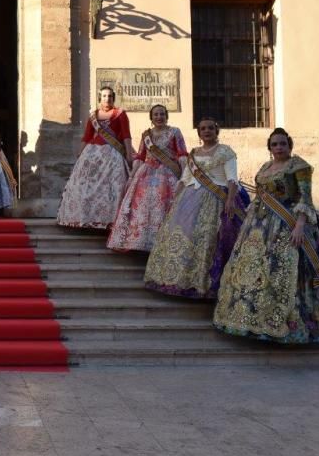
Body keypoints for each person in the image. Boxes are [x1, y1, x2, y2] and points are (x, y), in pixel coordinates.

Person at [214, 128, 319, 343]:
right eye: (275, 144)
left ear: (290, 145)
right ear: (269, 148)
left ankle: (293, 327)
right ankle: (249, 321)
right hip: (259, 226)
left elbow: (306, 199)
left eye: (282, 144)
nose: (279, 148)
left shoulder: (299, 167)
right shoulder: (266, 167)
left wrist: (299, 225)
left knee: (283, 270)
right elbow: (260, 196)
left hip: (288, 224)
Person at [144, 118, 249, 299]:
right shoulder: (193, 153)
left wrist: (231, 200)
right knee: (183, 234)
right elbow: (185, 179)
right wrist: (175, 201)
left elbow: (232, 178)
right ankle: (177, 280)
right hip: (189, 198)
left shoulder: (226, 151)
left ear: (217, 130)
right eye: (202, 129)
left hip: (216, 197)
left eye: (210, 128)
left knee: (207, 237)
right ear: (199, 133)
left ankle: (201, 284)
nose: (206, 131)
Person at [107, 104, 187, 252]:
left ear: (166, 116)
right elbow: (141, 155)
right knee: (142, 206)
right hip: (146, 174)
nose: (159, 117)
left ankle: (162, 242)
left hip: (167, 175)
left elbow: (182, 154)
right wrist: (132, 175)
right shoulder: (146, 135)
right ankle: (139, 241)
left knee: (163, 206)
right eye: (156, 114)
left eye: (162, 114)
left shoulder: (175, 132)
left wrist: (184, 175)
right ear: (151, 117)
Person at [57, 87, 134, 229]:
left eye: (110, 96)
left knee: (113, 186)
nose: (107, 99)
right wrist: (80, 154)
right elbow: (87, 136)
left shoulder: (120, 114)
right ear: (100, 98)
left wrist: (129, 154)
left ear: (113, 98)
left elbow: (126, 135)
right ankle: (86, 218)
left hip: (113, 154)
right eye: (104, 96)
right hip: (92, 154)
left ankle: (110, 221)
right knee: (86, 186)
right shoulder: (93, 116)